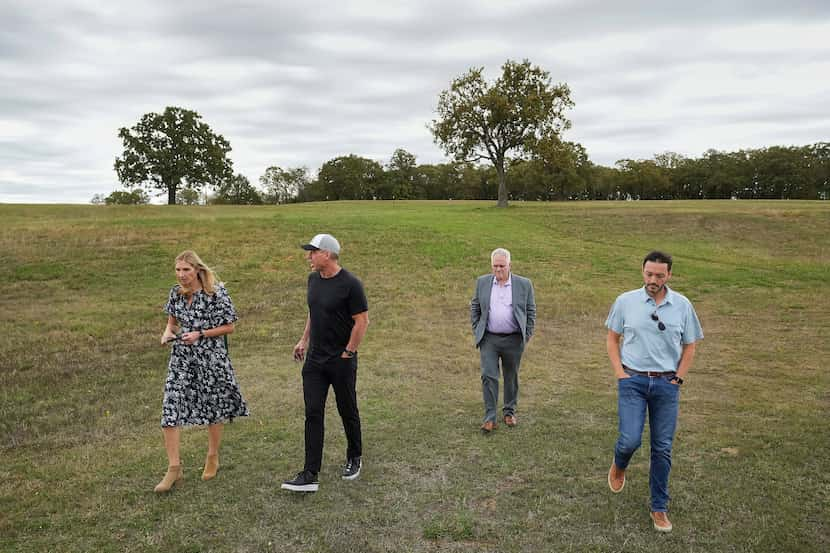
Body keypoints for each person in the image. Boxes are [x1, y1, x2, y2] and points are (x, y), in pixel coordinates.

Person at [605, 250, 703, 532]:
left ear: (669, 275)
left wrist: (679, 379)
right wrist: (620, 374)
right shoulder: (625, 301)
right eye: (649, 274)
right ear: (643, 272)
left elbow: (690, 345)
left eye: (660, 275)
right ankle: (620, 463)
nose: (653, 279)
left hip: (666, 384)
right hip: (632, 381)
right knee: (629, 440)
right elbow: (612, 338)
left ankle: (659, 507)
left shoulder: (682, 305)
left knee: (662, 448)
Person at [154, 250, 249, 493]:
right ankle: (174, 467)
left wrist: (200, 334)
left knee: (213, 408)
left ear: (197, 270)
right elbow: (172, 322)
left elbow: (230, 326)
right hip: (182, 358)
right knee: (170, 408)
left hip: (210, 358)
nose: (181, 275)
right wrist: (167, 333)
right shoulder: (175, 293)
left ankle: (212, 456)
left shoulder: (215, 294)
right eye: (178, 270)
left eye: (186, 270)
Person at [281, 234, 369, 493]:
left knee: (347, 408)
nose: (308, 256)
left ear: (328, 254)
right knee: (313, 412)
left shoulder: (351, 284)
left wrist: (349, 353)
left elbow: (362, 321)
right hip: (315, 361)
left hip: (340, 360)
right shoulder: (313, 280)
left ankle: (355, 456)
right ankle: (310, 473)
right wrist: (303, 340)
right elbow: (314, 311)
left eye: (313, 252)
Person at [470, 248, 536, 433]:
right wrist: (477, 330)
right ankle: (490, 417)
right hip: (489, 339)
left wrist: (527, 333)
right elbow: (475, 306)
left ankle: (509, 412)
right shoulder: (482, 282)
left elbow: (531, 310)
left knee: (510, 376)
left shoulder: (524, 284)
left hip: (514, 340)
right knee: (488, 376)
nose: (498, 269)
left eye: (502, 266)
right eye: (495, 266)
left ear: (510, 265)